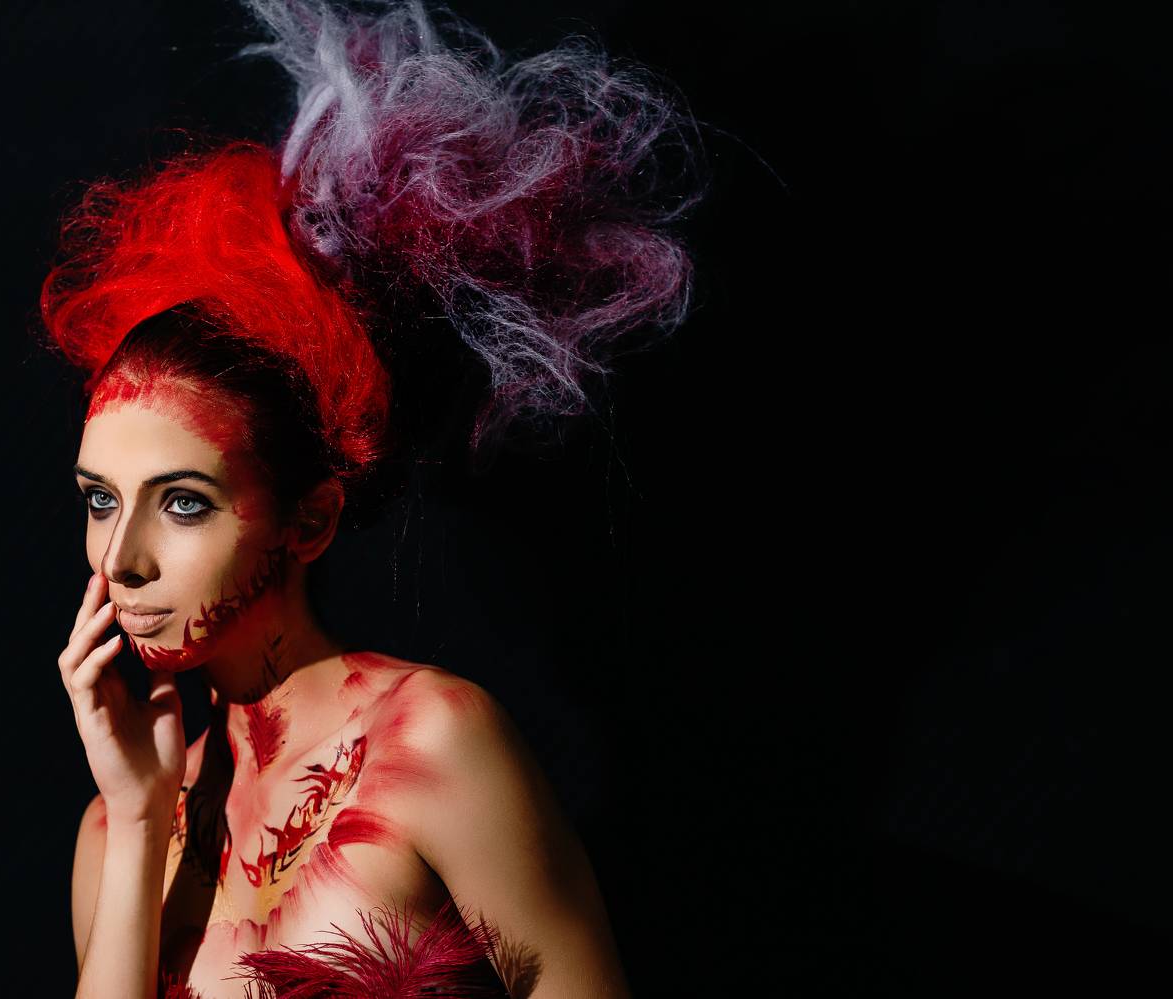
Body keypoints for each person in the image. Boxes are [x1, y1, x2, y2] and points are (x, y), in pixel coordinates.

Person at [40, 2, 705, 996]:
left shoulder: (432, 739)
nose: (120, 559)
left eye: (182, 503)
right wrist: (140, 821)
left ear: (309, 519)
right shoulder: (113, 829)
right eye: (101, 500)